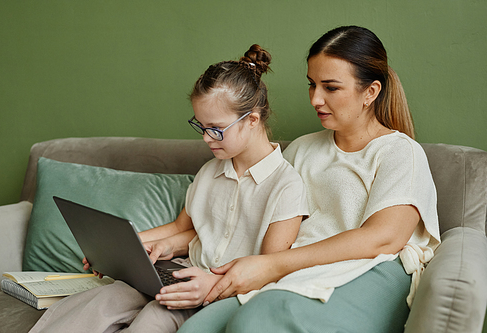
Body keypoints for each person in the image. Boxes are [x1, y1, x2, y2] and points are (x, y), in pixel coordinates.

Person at [177, 26, 441, 333]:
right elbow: (248, 218)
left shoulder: (400, 152)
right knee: (194, 329)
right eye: (312, 85)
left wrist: (271, 266)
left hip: (367, 271)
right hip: (294, 271)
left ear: (370, 92)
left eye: (330, 88)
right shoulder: (302, 149)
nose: (315, 99)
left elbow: (383, 238)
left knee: (254, 324)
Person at [28, 44, 309, 333]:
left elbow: (267, 269)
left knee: (154, 317)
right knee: (101, 300)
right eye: (200, 126)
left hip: (223, 291)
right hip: (180, 271)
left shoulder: (286, 186)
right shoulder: (211, 171)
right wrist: (122, 249)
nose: (206, 138)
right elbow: (182, 227)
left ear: (251, 120)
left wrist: (210, 284)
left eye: (215, 128)